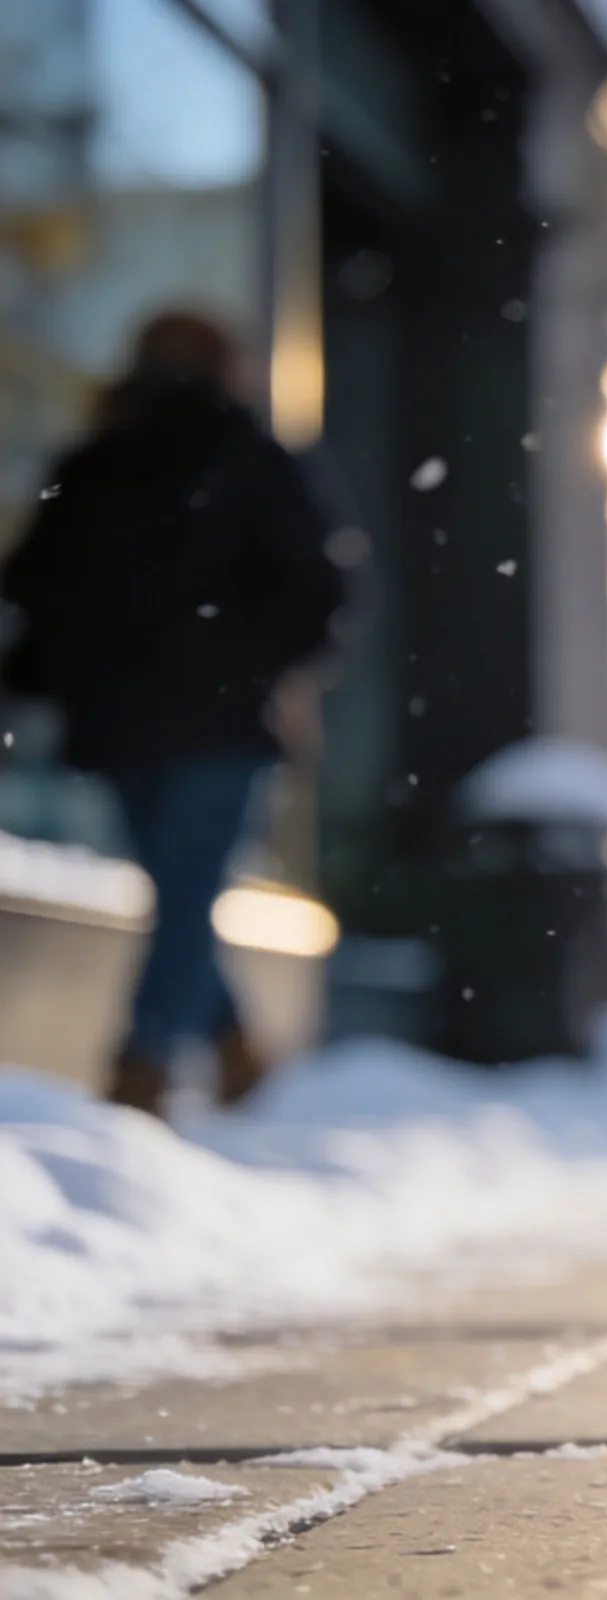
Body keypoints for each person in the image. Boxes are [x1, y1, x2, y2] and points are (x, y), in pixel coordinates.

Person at [0, 311, 344, 1114]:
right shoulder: (248, 460)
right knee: (184, 894)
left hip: (126, 721)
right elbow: (320, 591)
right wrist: (254, 666)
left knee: (181, 892)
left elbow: (34, 589)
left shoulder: (98, 465)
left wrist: (63, 674)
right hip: (215, 722)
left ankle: (159, 1063)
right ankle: (173, 1062)